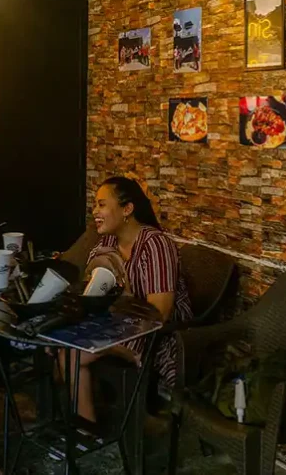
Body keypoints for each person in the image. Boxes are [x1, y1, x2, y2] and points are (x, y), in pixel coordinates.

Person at [66, 176, 193, 423]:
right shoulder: (108, 243)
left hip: (153, 333)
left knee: (73, 354)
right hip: (120, 324)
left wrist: (114, 312)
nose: (95, 211)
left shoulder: (155, 245)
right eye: (95, 205)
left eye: (102, 205)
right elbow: (93, 288)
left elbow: (160, 313)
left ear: (127, 209)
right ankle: (84, 424)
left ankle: (87, 433)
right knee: (58, 348)